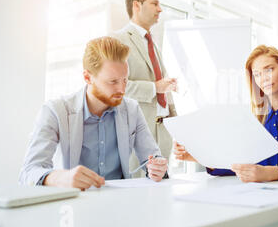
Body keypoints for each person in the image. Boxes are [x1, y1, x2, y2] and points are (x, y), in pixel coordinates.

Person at [19, 37, 168, 189]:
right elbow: (29, 171)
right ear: (87, 77)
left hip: (119, 202)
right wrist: (60, 178)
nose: (122, 89)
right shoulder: (55, 111)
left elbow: (152, 157)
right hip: (71, 204)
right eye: (113, 82)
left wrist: (157, 167)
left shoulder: (132, 109)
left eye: (125, 80)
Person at [174, 45, 278, 182]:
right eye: (257, 74)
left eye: (269, 70)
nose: (264, 78)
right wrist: (197, 156)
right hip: (260, 195)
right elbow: (240, 163)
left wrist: (267, 173)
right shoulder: (255, 119)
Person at [112, 0, 177, 176]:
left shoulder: (153, 44)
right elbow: (117, 86)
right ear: (137, 5)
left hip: (163, 131)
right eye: (154, 3)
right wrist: (154, 87)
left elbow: (162, 86)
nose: (160, 9)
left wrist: (175, 122)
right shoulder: (119, 39)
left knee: (161, 191)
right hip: (139, 132)